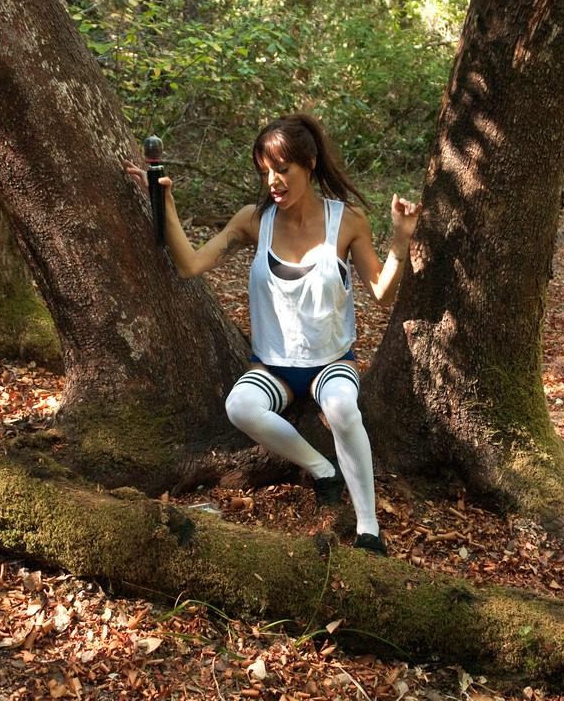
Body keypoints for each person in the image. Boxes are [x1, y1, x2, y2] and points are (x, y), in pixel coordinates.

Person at [126, 113, 419, 555]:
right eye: (265, 172)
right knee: (239, 406)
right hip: (275, 366)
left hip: (331, 362)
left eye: (282, 169)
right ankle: (322, 470)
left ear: (310, 164)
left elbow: (380, 291)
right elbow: (189, 264)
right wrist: (164, 203)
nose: (274, 182)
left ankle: (368, 528)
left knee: (342, 409)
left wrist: (400, 240)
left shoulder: (347, 221)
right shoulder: (253, 220)